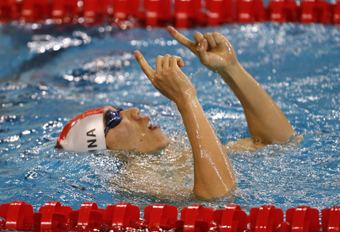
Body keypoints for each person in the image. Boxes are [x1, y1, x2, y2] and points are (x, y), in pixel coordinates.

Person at [56, 27, 295, 200]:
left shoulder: (178, 153)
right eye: (114, 119)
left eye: (119, 110)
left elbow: (278, 142)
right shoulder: (134, 182)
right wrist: (185, 99)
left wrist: (231, 69)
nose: (134, 112)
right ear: (103, 149)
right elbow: (218, 199)